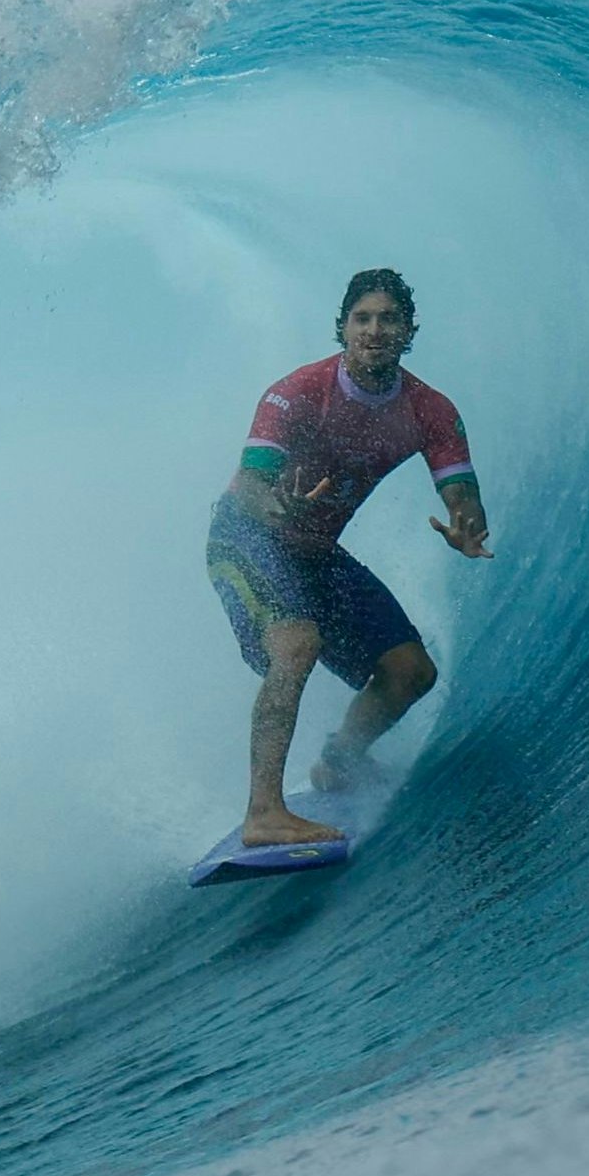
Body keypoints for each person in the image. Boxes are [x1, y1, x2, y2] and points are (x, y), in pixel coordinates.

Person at [207, 268, 491, 848]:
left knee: (411, 672)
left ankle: (340, 761)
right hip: (245, 536)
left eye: (389, 319)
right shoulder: (298, 392)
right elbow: (254, 486)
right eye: (362, 318)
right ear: (342, 328)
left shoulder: (430, 411)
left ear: (408, 330)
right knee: (297, 643)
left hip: (313, 554)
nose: (375, 330)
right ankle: (264, 812)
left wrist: (467, 525)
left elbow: (462, 493)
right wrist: (278, 504)